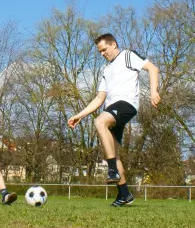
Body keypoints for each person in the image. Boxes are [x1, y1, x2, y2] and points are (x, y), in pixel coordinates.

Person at [67, 33, 161, 207]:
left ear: (114, 44)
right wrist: (79, 115)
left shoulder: (127, 55)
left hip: (126, 104)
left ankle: (111, 170)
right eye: (99, 51)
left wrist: (154, 91)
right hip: (111, 110)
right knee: (113, 152)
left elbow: (153, 69)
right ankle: (124, 194)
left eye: (104, 49)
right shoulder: (106, 70)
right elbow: (99, 99)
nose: (102, 53)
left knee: (99, 122)